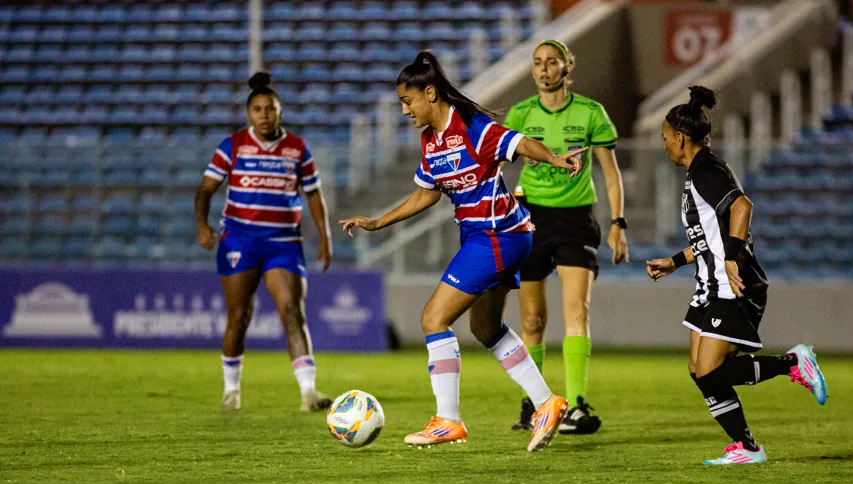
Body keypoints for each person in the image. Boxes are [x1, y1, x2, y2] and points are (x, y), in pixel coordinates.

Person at [339, 51, 584, 452]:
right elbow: (426, 195)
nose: (405, 111)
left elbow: (520, 142)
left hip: (497, 235)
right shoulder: (431, 140)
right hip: (488, 237)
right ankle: (547, 403)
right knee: (485, 329)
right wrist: (377, 222)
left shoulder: (472, 127)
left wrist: (554, 158)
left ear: (430, 94)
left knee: (433, 319)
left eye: (407, 101)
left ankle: (448, 420)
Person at [646, 86, 828, 465]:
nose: (663, 145)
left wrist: (730, 259)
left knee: (711, 373)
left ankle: (794, 364)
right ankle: (746, 447)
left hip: (732, 285)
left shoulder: (707, 171)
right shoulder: (699, 172)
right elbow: (709, 237)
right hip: (709, 285)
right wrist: (675, 262)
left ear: (680, 138)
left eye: (665, 138)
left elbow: (743, 207)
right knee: (698, 370)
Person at [503, 40, 629, 434]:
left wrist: (618, 223)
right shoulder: (520, 114)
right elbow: (494, 167)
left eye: (551, 62)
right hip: (530, 219)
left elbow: (611, 174)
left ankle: (576, 406)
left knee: (578, 312)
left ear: (567, 67)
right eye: (537, 63)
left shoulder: (591, 113)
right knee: (532, 319)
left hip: (575, 220)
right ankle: (535, 404)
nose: (543, 69)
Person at [195, 72, 334, 413]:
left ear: (280, 111)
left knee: (292, 311)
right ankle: (231, 390)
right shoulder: (232, 145)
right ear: (249, 113)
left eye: (270, 109)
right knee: (239, 316)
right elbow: (206, 189)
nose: (264, 115)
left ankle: (308, 392)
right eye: (257, 109)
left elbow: (313, 194)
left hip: (283, 242)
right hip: (239, 240)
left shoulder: (297, 149)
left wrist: (325, 236)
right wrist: (202, 224)